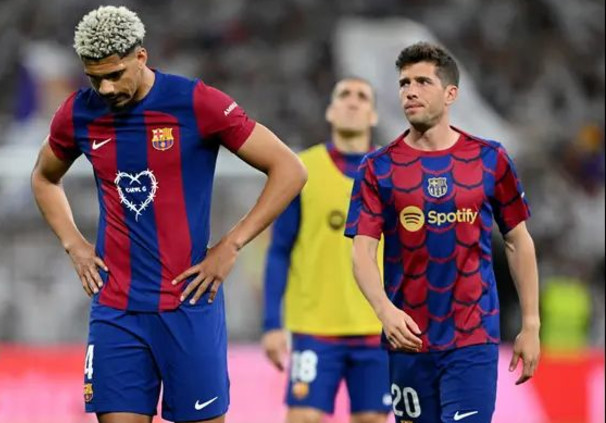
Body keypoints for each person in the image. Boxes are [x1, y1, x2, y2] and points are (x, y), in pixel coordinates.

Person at [30, 6, 307, 423]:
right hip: (116, 309)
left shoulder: (195, 102)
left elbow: (289, 169)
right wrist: (74, 243)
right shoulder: (79, 113)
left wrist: (231, 244)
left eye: (115, 74)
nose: (105, 88)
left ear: (141, 57)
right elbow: (44, 177)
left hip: (188, 303)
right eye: (94, 78)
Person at [345, 42, 541, 423]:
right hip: (408, 339)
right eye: (404, 83)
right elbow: (362, 253)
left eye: (422, 82)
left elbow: (518, 241)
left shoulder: (490, 159)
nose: (410, 91)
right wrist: (385, 311)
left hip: (473, 336)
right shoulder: (377, 168)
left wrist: (531, 324)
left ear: (451, 94)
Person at [262, 78, 390, 423]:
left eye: (362, 96)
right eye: (344, 95)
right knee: (303, 416)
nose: (352, 101)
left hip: (376, 325)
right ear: (331, 111)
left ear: (373, 115)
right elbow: (279, 250)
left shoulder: (393, 173)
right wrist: (272, 323)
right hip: (314, 327)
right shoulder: (301, 170)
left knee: (372, 420)